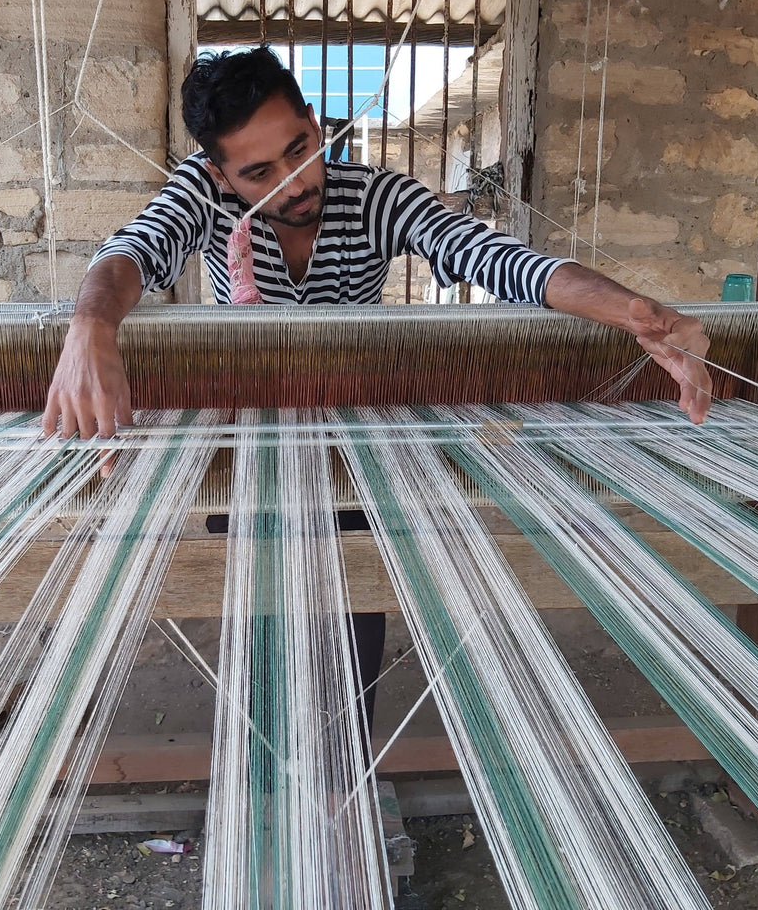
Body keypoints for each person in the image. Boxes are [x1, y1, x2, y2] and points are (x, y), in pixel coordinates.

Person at [42, 44, 712, 732]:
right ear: (220, 172)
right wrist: (91, 327)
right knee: (261, 620)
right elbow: (132, 252)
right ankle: (267, 779)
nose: (294, 182)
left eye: (300, 149)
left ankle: (338, 780)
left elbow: (494, 258)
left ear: (312, 120)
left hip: (356, 443)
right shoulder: (202, 193)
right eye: (260, 172)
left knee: (352, 622)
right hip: (250, 443)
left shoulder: (376, 198)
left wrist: (638, 315)